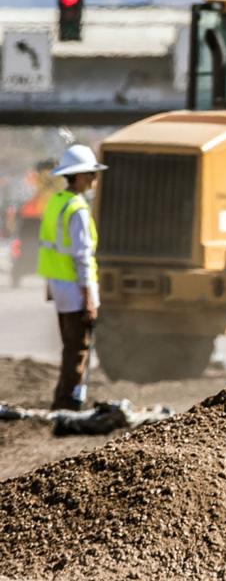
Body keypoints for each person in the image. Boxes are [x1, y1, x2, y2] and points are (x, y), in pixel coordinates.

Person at [37, 144, 106, 410]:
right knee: (78, 349)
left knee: (69, 346)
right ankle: (67, 404)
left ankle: (63, 399)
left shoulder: (56, 202)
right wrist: (89, 298)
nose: (94, 179)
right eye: (90, 174)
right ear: (78, 176)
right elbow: (82, 258)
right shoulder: (76, 209)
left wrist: (50, 286)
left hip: (60, 288)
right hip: (75, 291)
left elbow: (48, 247)